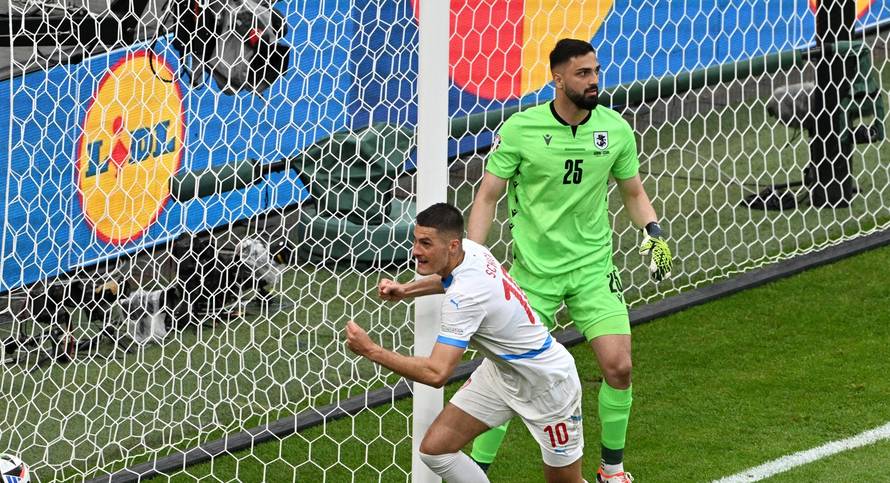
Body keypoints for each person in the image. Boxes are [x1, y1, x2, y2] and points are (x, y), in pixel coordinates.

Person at [464, 38, 674, 483]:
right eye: (583, 73)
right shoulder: (521, 129)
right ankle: (476, 471)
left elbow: (633, 193)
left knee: (619, 366)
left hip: (593, 270)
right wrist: (473, 260)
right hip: (533, 276)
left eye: (596, 71)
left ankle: (611, 470)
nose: (594, 80)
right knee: (507, 377)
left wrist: (653, 232)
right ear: (557, 78)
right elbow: (486, 196)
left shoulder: (615, 129)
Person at [346, 202, 586, 483]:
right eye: (415, 241)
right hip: (501, 374)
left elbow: (437, 373)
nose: (415, 251)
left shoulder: (465, 298)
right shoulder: (471, 251)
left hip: (547, 385)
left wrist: (371, 350)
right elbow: (448, 279)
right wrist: (406, 290)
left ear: (451, 246)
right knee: (436, 450)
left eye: (426, 243)